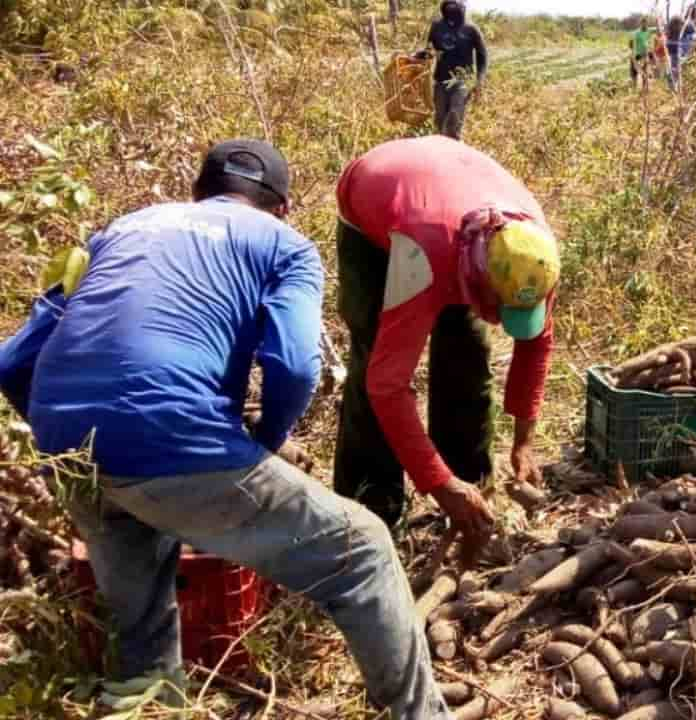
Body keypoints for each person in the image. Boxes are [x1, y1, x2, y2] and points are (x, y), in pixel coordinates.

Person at [8, 140, 454, 717]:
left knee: (142, 619)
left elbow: (13, 362)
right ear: (283, 207)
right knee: (364, 549)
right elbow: (294, 365)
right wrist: (263, 443)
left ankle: (154, 701)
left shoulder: (122, 230)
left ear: (198, 192)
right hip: (173, 435)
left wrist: (65, 432)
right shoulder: (284, 246)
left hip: (68, 444)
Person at [333, 136, 558, 533]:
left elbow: (535, 347)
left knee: (467, 353)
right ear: (478, 280)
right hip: (379, 206)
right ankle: (371, 510)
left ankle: (471, 491)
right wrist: (437, 483)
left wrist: (524, 442)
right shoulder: (425, 256)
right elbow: (388, 386)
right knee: (374, 359)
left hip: (450, 195)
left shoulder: (535, 255)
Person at [414, 0, 487, 140]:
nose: (451, 11)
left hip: (462, 80)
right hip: (440, 80)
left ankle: (454, 147)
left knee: (455, 116)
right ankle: (440, 152)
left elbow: (482, 55)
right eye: (448, 8)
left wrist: (480, 80)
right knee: (440, 120)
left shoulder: (471, 29)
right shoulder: (436, 27)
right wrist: (418, 56)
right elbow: (430, 51)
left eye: (455, 8)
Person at [666, 12, 696, 90]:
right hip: (676, 50)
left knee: (674, 70)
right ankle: (674, 87)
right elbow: (692, 40)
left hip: (674, 49)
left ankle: (674, 87)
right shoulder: (688, 25)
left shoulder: (687, 25)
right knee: (675, 70)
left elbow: (692, 40)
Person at [628, 22, 653, 90]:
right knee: (634, 78)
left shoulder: (643, 51)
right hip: (635, 67)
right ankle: (636, 89)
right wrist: (644, 75)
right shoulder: (632, 53)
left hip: (639, 65)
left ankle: (644, 88)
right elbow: (636, 66)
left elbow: (649, 60)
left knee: (642, 77)